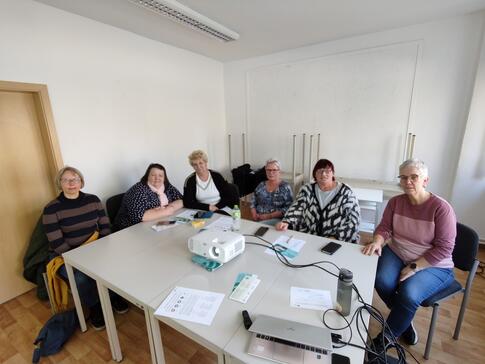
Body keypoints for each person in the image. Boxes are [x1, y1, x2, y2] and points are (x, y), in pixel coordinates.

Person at [362, 158, 456, 351]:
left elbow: (445, 248)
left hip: (434, 264)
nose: (408, 182)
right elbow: (385, 227)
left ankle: (386, 338)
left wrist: (415, 267)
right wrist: (378, 241)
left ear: (425, 180)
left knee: (409, 293)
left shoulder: (441, 208)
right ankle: (404, 318)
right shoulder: (396, 202)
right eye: (403, 178)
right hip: (398, 252)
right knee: (381, 280)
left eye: (414, 177)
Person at [43, 166, 127, 330]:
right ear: (60, 184)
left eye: (75, 179)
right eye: (66, 180)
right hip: (65, 255)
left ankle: (112, 295)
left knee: (116, 261)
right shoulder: (51, 209)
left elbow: (104, 227)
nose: (71, 183)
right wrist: (82, 258)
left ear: (81, 182)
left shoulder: (93, 200)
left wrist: (100, 250)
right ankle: (95, 306)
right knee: (82, 277)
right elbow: (57, 243)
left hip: (95, 248)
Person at [276, 158, 360, 243]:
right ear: (315, 174)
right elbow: (297, 208)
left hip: (335, 239)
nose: (323, 174)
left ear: (333, 173)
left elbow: (353, 220)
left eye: (327, 171)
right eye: (319, 171)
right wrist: (287, 221)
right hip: (309, 235)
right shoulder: (307, 189)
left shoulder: (346, 192)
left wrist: (336, 237)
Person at [114, 163, 183, 230]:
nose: (157, 178)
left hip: (155, 222)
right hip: (129, 228)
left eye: (160, 175)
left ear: (164, 178)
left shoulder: (167, 186)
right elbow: (139, 217)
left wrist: (170, 208)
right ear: (147, 176)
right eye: (153, 175)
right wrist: (166, 211)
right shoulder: (138, 190)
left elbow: (181, 200)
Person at [250, 158, 293, 225]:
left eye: (274, 170)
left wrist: (269, 216)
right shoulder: (261, 185)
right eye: (268, 170)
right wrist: (254, 214)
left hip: (276, 220)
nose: (271, 172)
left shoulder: (285, 187)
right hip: (258, 218)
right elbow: (253, 202)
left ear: (279, 171)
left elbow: (288, 208)